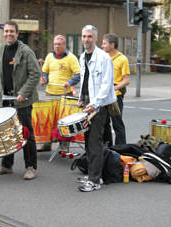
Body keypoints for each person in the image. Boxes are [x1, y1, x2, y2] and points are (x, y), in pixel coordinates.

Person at [0, 21, 40, 180]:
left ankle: (30, 167)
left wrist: (23, 92)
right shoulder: (0, 51)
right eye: (6, 31)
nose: (8, 34)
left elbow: (35, 74)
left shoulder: (25, 51)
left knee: (26, 133)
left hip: (22, 100)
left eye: (12, 31)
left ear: (17, 34)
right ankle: (6, 165)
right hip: (6, 100)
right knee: (7, 133)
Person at [76, 25, 116, 192]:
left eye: (89, 37)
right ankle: (92, 173)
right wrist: (81, 100)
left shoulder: (103, 58)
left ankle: (95, 180)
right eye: (84, 36)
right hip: (87, 104)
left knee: (95, 142)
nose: (86, 39)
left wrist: (95, 104)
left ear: (96, 38)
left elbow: (106, 85)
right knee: (87, 141)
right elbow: (84, 80)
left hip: (98, 106)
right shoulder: (82, 56)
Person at [39, 35, 80, 151]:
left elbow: (78, 74)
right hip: (50, 93)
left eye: (59, 44)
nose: (57, 46)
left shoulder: (71, 58)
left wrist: (69, 82)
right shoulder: (49, 57)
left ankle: (64, 145)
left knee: (64, 121)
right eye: (55, 44)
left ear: (64, 45)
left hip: (65, 94)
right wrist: (44, 79)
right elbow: (45, 72)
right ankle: (47, 143)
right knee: (49, 120)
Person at [101, 33, 130, 145]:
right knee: (104, 122)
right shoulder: (103, 57)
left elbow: (126, 80)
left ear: (112, 45)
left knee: (117, 123)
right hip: (104, 95)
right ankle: (107, 147)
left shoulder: (122, 59)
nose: (102, 46)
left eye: (104, 43)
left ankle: (121, 149)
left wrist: (115, 88)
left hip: (115, 95)